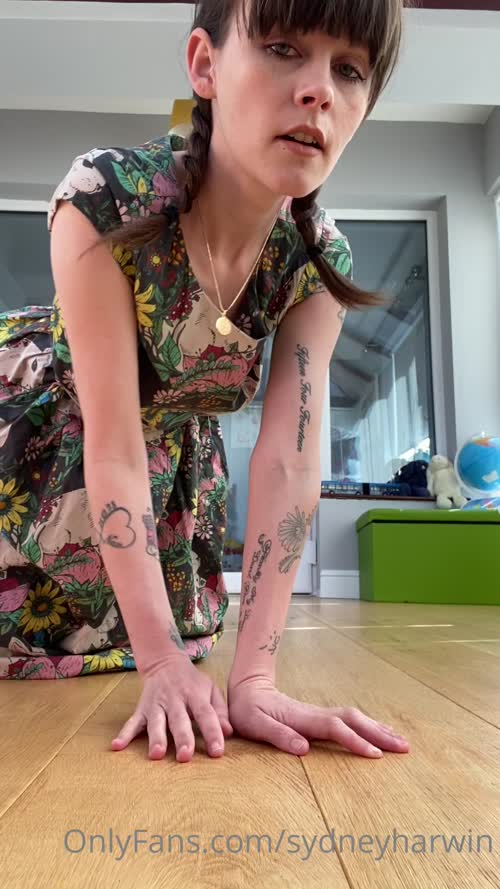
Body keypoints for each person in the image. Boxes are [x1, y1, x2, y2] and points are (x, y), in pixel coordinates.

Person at [0, 0, 410, 762]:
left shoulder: (316, 261)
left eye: (350, 70)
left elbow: (289, 463)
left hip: (162, 483)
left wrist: (254, 678)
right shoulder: (105, 198)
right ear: (204, 64)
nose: (320, 90)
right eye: (283, 47)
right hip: (40, 448)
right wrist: (159, 661)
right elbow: (113, 441)